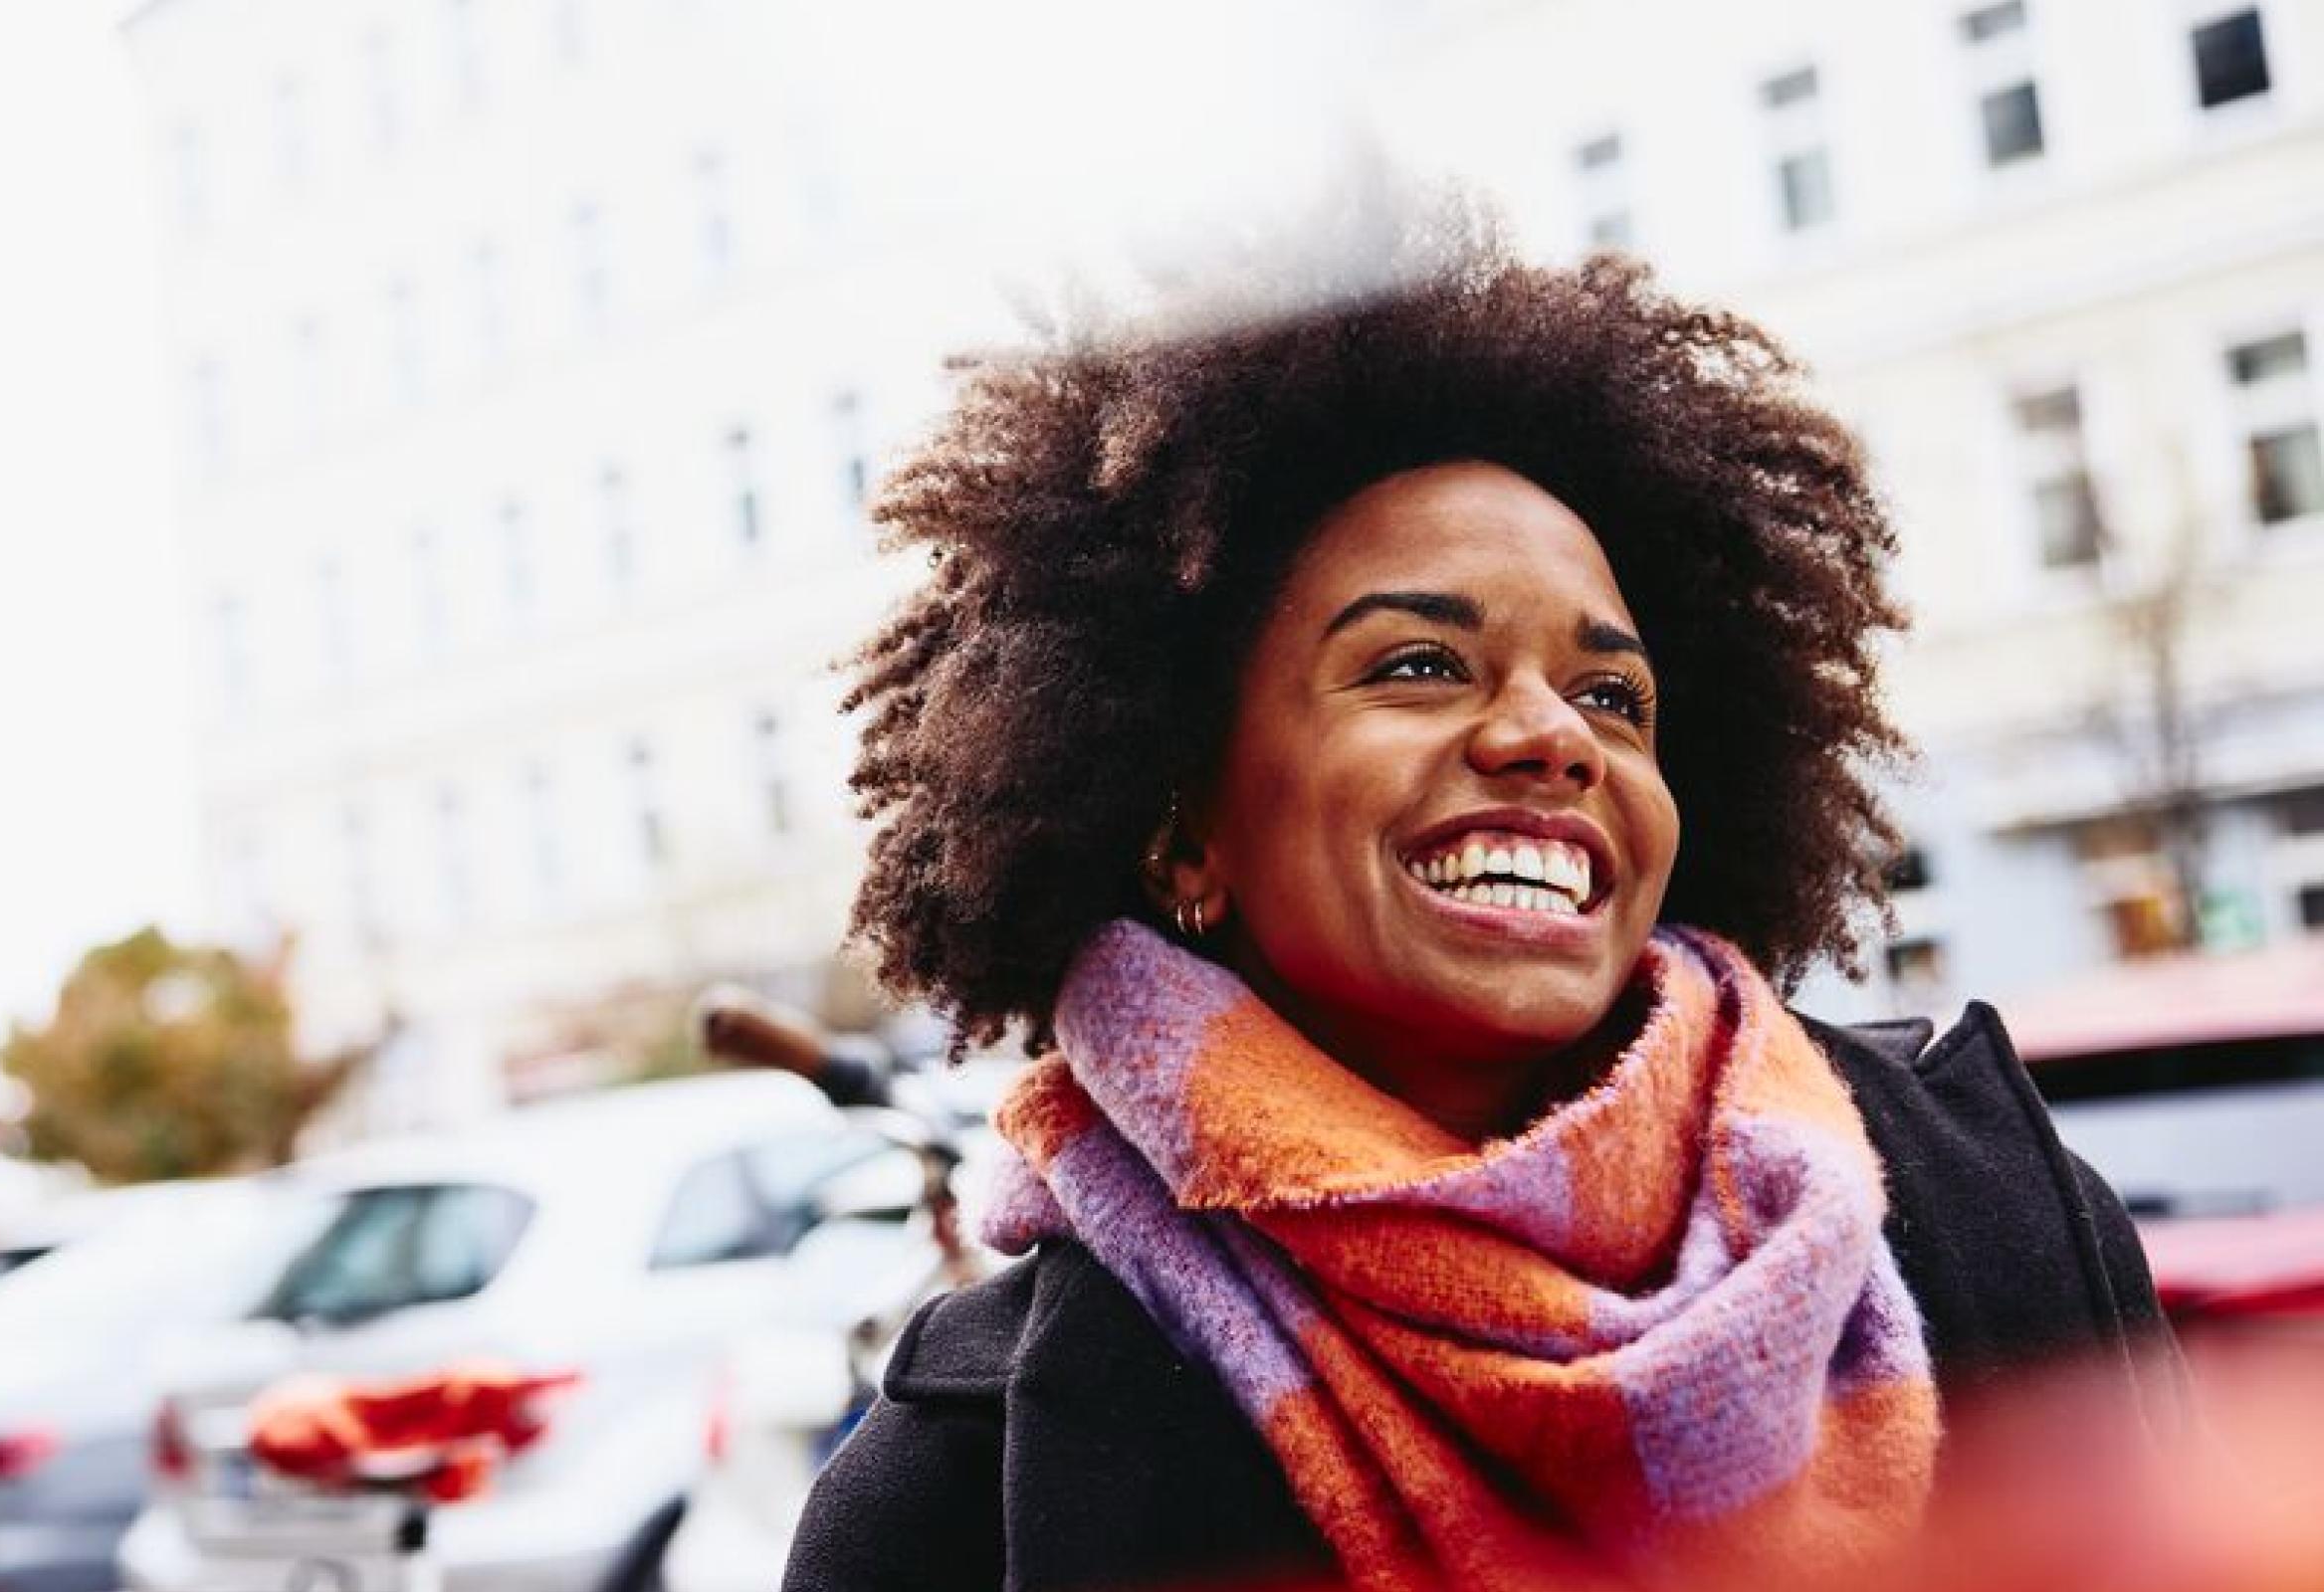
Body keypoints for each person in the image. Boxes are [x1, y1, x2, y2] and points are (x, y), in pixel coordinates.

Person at [784, 242, 2179, 1592]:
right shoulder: (962, 1487)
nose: (1547, 736)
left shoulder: (1996, 1215)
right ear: (1180, 824)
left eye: (1613, 696)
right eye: (1419, 664)